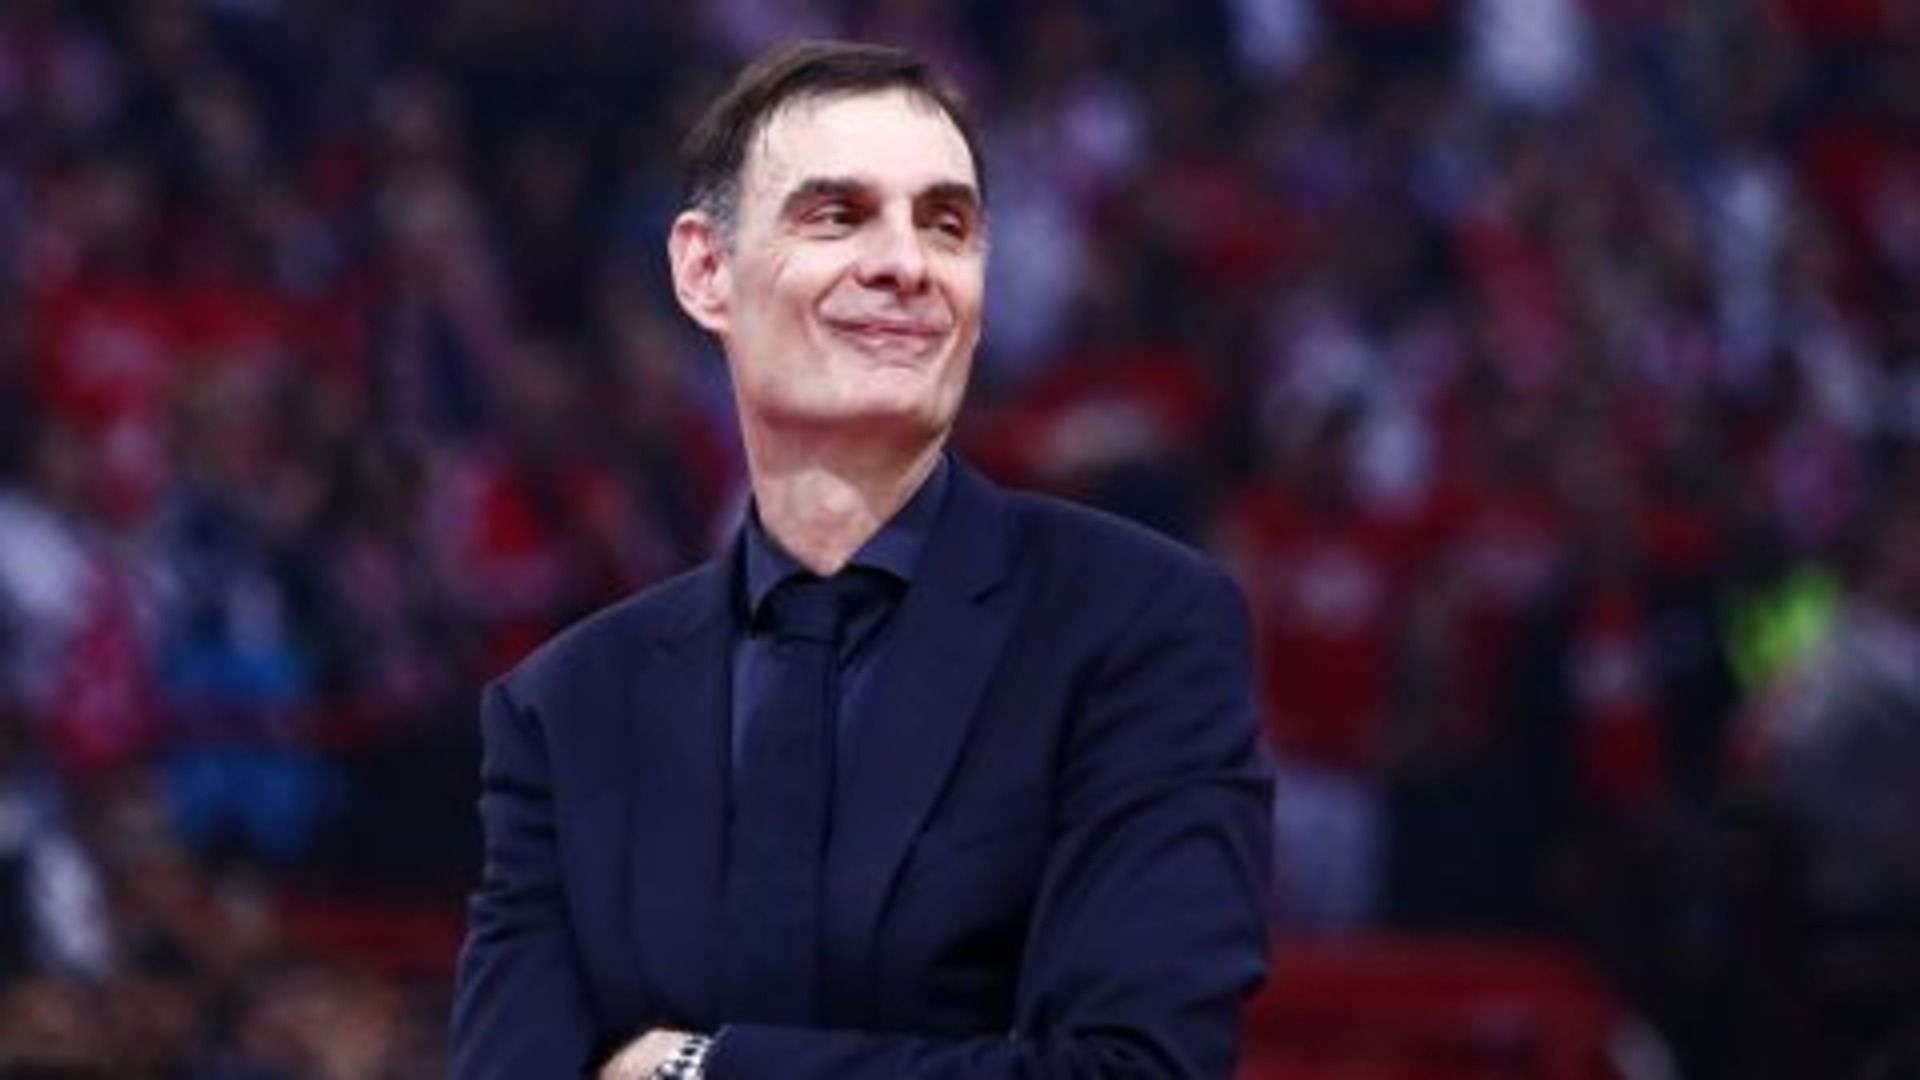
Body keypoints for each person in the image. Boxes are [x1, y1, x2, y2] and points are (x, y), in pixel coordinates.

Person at [451, 39, 1271, 1079]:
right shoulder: (566, 709)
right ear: (705, 271)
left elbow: (1138, 1071)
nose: (906, 264)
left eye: (947, 225)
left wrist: (701, 1069)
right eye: (838, 216)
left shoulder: (1134, 625)